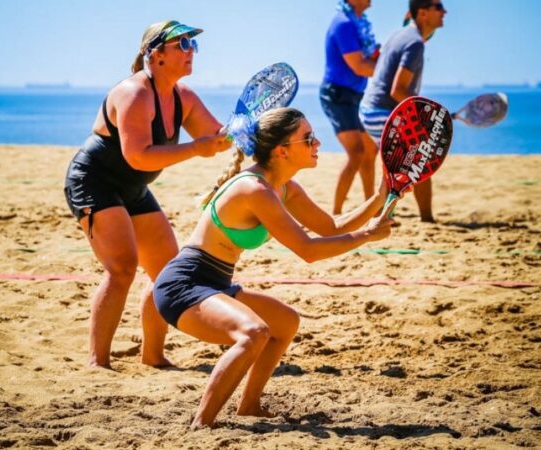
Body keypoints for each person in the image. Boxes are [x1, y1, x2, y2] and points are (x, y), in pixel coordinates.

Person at [153, 108, 401, 428]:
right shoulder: (254, 189)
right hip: (183, 286)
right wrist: (368, 235)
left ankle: (249, 405)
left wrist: (380, 196)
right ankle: (202, 424)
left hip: (214, 283)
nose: (318, 143)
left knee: (284, 323)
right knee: (254, 333)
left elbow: (330, 226)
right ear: (282, 150)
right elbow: (308, 250)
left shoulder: (284, 187)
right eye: (308, 138)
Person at [63, 20, 232, 369]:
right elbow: (138, 155)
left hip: (132, 188)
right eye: (182, 44)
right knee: (122, 269)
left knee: (167, 273)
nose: (191, 51)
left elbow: (216, 136)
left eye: (192, 44)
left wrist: (244, 132)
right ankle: (98, 362)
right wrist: (197, 149)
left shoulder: (182, 96)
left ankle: (152, 357)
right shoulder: (134, 92)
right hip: (95, 182)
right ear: (155, 54)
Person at [360, 0, 447, 222]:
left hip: (370, 109)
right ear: (423, 13)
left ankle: (384, 213)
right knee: (420, 157)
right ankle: (424, 219)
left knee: (404, 162)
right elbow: (398, 90)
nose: (444, 11)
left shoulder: (398, 34)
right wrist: (427, 115)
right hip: (382, 111)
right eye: (438, 7)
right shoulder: (415, 43)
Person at [321, 0, 381, 215]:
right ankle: (336, 212)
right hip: (337, 95)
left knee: (369, 151)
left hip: (355, 94)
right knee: (356, 153)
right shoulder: (344, 23)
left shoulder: (359, 22)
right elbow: (359, 65)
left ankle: (370, 206)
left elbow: (369, 59)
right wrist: (389, 70)